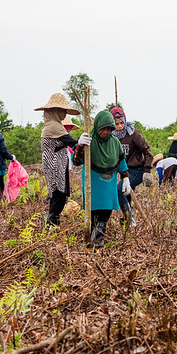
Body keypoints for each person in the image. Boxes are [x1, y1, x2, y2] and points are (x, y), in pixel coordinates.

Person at [73, 110, 130, 246]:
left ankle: (98, 238)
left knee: (106, 209)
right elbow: (76, 161)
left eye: (108, 129)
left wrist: (125, 177)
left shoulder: (115, 142)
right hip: (93, 180)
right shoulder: (89, 141)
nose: (105, 132)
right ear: (97, 127)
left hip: (109, 181)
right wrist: (80, 146)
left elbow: (121, 162)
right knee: (93, 209)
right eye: (102, 129)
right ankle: (91, 236)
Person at [36, 92, 80, 227]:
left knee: (57, 195)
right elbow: (71, 142)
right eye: (63, 110)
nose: (65, 114)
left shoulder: (51, 124)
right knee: (59, 195)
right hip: (55, 165)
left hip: (56, 164)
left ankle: (53, 224)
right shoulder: (54, 126)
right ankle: (51, 221)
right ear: (55, 111)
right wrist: (81, 143)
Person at [111, 106, 153, 228]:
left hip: (137, 170)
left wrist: (147, 171)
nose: (119, 126)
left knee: (119, 190)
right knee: (126, 194)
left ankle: (129, 218)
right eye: (116, 124)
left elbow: (147, 152)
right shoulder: (112, 137)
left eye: (121, 123)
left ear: (125, 121)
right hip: (124, 172)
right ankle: (127, 221)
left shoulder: (133, 134)